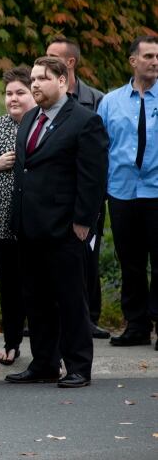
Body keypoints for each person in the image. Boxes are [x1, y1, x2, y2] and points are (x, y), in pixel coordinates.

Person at [6, 57, 108, 388]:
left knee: (70, 298)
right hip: (29, 226)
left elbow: (92, 177)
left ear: (62, 81)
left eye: (43, 79)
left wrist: (84, 221)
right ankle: (44, 362)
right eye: (33, 79)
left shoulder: (84, 121)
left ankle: (78, 364)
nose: (35, 84)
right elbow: (25, 170)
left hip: (65, 227)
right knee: (36, 298)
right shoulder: (30, 118)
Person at [46, 36, 109, 340]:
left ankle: (90, 317)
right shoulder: (44, 103)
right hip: (54, 198)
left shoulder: (95, 100)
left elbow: (98, 157)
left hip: (85, 196)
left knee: (88, 257)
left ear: (69, 63)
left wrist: (90, 208)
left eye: (52, 56)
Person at [98, 36, 158, 349]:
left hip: (157, 191)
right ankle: (136, 325)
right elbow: (101, 146)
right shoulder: (111, 102)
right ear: (133, 60)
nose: (154, 61)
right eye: (148, 56)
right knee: (130, 261)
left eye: (157, 56)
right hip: (122, 192)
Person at [0, 67, 36, 366]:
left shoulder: (41, 125)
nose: (13, 99)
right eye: (9, 94)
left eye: (20, 92)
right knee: (10, 286)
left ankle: (47, 351)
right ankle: (12, 343)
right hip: (1, 221)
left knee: (37, 285)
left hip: (34, 221)